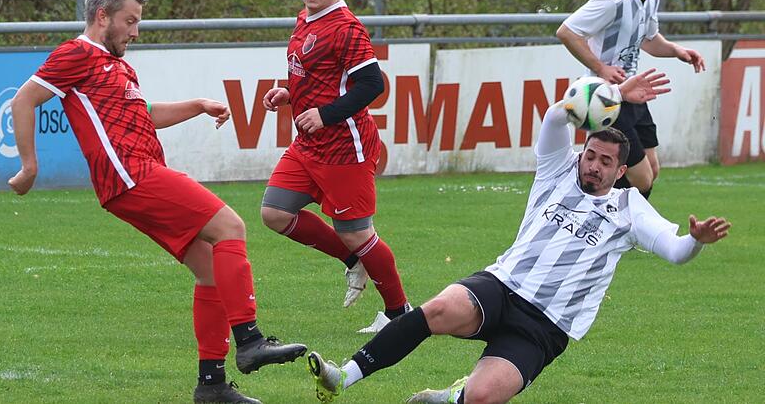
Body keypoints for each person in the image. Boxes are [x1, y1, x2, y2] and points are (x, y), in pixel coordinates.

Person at [306, 69, 731, 404]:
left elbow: (676, 252)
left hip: (546, 325)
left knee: (483, 397)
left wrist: (696, 239)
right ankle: (343, 376)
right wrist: (611, 93)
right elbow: (554, 116)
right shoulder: (557, 168)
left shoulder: (630, 209)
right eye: (590, 155)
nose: (594, 165)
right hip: (502, 285)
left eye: (605, 162)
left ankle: (456, 395)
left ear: (621, 171)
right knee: (437, 309)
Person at [8, 0, 306, 404]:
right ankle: (251, 341)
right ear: (102, 17)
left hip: (139, 177)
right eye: (130, 21)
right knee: (230, 226)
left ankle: (213, 386)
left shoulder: (120, 67)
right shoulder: (76, 53)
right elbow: (23, 100)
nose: (135, 31)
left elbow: (144, 114)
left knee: (209, 269)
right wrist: (29, 166)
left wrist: (197, 105)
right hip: (130, 176)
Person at [260, 0, 411, 332]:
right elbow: (319, 77)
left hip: (345, 149)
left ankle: (399, 314)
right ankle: (352, 260)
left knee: (357, 232)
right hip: (309, 146)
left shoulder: (346, 28)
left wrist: (325, 114)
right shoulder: (304, 19)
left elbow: (372, 85)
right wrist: (288, 93)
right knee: (275, 213)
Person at [556, 0, 705, 199]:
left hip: (633, 94)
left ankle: (606, 217)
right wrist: (601, 67)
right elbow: (567, 31)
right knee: (641, 178)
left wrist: (677, 51)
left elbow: (648, 39)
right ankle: (607, 224)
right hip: (604, 99)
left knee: (651, 170)